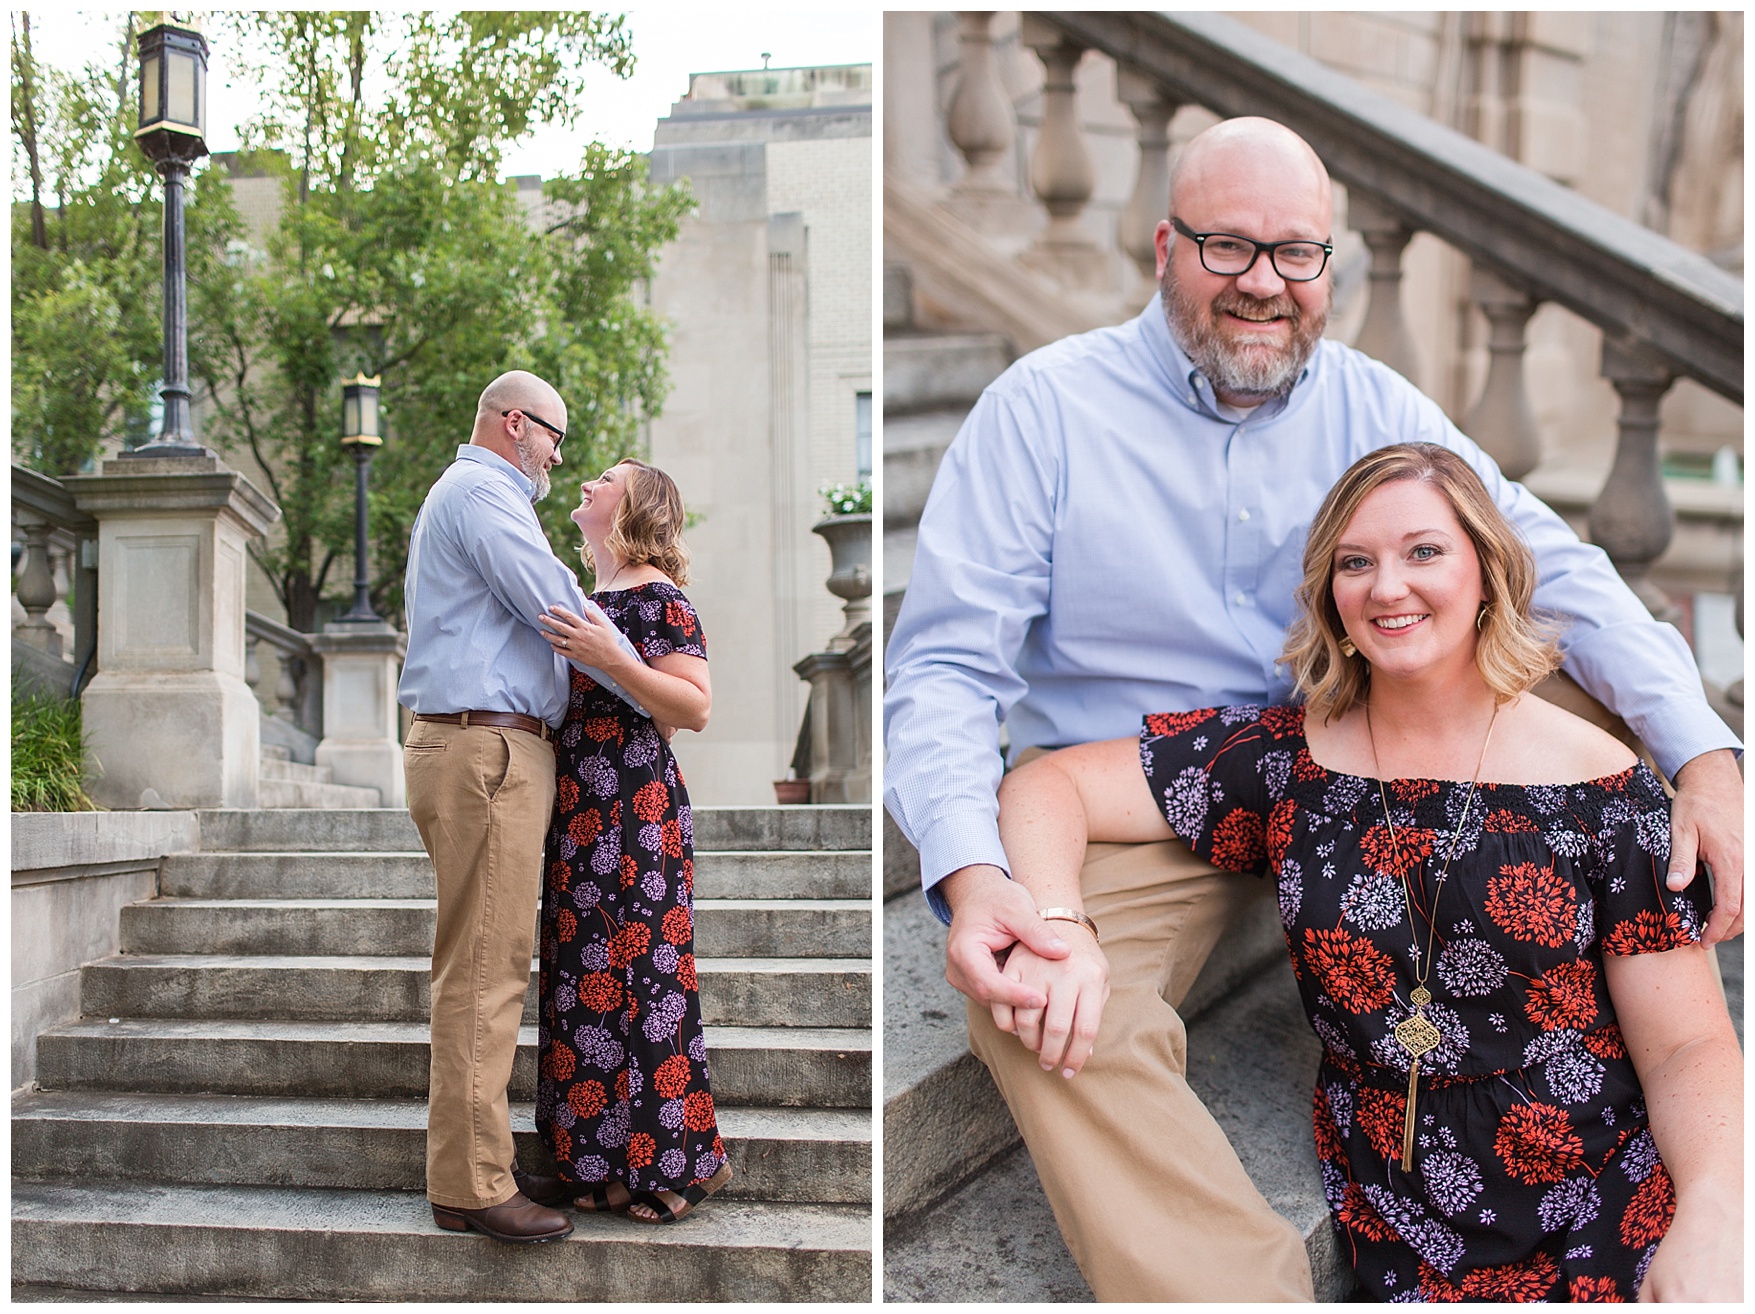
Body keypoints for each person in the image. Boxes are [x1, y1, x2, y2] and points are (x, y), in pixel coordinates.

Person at [881, 116, 1744, 1300]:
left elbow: (1551, 566)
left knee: (1518, 671)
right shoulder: (1043, 413)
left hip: (1353, 768)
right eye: (1227, 247)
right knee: (1044, 1001)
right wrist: (981, 878)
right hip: (1147, 808)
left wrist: (1702, 752)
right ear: (1161, 249)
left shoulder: (1376, 408)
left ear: (1331, 265)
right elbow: (941, 678)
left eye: (1297, 254)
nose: (1263, 284)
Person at [991, 443, 1742, 1301]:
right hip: (1401, 1207)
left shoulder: (1606, 791)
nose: (1387, 587)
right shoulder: (1285, 761)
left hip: (1604, 1192)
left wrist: (1716, 1214)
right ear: (1330, 594)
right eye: (1356, 562)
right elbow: (1043, 783)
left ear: (1487, 574)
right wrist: (1059, 923)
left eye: (1423, 551)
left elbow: (1688, 1044)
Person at [400, 369, 618, 1243]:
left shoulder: (481, 496)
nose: (560, 459)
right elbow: (557, 607)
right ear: (515, 423)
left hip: (485, 744)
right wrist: (657, 681)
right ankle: (471, 1182)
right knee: (486, 972)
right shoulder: (483, 493)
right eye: (555, 439)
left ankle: (478, 1155)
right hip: (484, 747)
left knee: (489, 964)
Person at [531, 458, 732, 1225]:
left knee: (646, 983)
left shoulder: (659, 597)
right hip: (578, 806)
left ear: (637, 504)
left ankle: (676, 1166)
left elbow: (694, 707)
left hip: (635, 807)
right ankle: (604, 1164)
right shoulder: (584, 598)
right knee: (586, 984)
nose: (585, 484)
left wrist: (613, 657)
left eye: (605, 479)